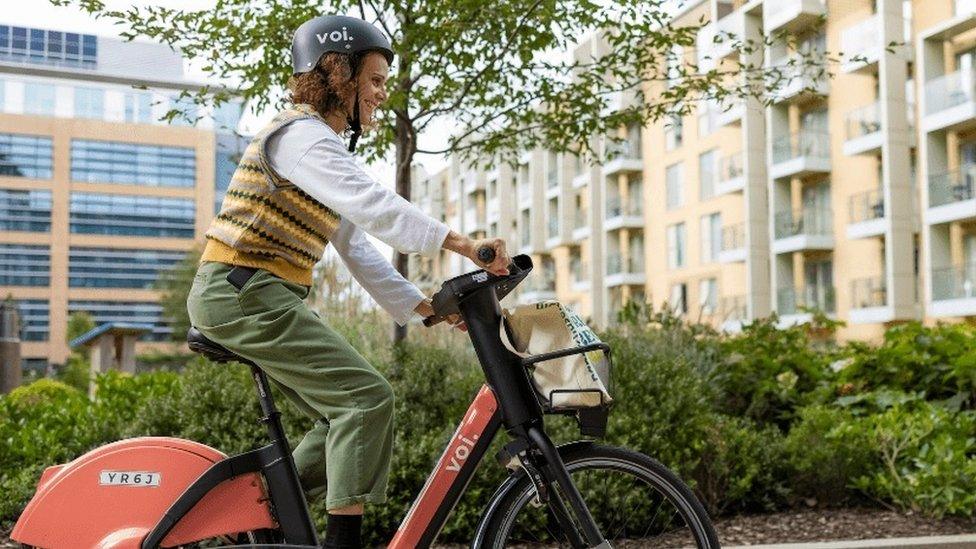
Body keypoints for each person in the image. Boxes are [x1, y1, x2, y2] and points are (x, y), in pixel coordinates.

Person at [185, 14, 510, 549]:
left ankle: (252, 508)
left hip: (257, 295)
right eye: (376, 80)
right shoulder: (300, 137)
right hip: (243, 293)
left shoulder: (319, 146)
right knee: (364, 399)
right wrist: (465, 245)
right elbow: (377, 206)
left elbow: (357, 245)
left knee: (345, 417)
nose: (383, 94)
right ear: (338, 72)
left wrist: (422, 307)